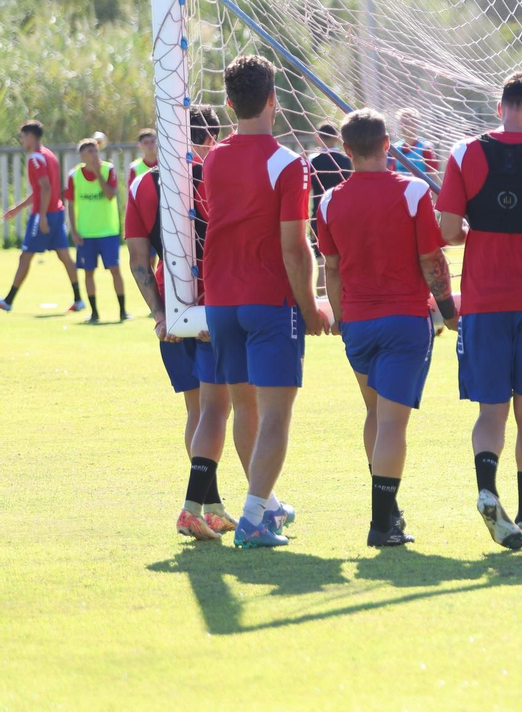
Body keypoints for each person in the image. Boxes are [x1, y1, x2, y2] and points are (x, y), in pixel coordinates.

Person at [438, 72, 522, 551]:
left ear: (500, 106)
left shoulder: (463, 153)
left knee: (491, 410)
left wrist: (481, 234)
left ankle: (488, 490)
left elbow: (449, 229)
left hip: (483, 300)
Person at [203, 54, 327, 548]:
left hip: (221, 300)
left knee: (243, 408)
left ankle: (266, 504)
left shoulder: (213, 157)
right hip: (269, 300)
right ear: (274, 99)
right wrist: (312, 305)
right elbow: (295, 247)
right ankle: (254, 518)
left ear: (230, 103)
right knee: (275, 413)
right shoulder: (289, 163)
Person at [319, 109, 458, 548]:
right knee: (393, 423)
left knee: (375, 415)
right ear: (387, 145)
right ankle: (382, 523)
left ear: (345, 150)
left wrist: (342, 318)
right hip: (403, 320)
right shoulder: (413, 191)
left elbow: (333, 269)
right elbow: (431, 260)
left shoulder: (328, 201)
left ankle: (389, 509)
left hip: (358, 322)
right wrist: (449, 311)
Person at [127, 106, 257, 539]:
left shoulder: (145, 182)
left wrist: (161, 314)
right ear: (211, 138)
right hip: (214, 307)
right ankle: (202, 506)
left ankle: (212, 505)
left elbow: (138, 257)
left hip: (173, 308)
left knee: (198, 411)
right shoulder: (216, 173)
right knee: (225, 408)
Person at [2, 120, 83, 313]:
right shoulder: (49, 155)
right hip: (57, 211)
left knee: (25, 256)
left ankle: (8, 300)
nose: (22, 141)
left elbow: (45, 188)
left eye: (22, 137)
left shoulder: (35, 158)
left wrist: (43, 215)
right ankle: (79, 299)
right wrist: (18, 208)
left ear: (30, 136)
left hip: (43, 214)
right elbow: (43, 190)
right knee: (64, 255)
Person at [65, 138, 128, 323]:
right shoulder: (74, 175)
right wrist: (74, 230)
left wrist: (98, 174)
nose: (94, 155)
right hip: (86, 234)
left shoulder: (108, 170)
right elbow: (70, 203)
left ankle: (123, 311)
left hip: (108, 231)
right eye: (89, 152)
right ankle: (94, 313)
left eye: (95, 151)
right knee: (88, 272)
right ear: (82, 156)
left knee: (115, 270)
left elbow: (110, 195)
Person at [309, 121, 353, 291]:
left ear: (318, 138)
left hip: (319, 216)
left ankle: (324, 303)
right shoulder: (347, 160)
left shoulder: (312, 161)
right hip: (344, 217)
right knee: (344, 262)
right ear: (337, 138)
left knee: (322, 264)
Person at [391, 108, 440, 180]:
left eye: (407, 123)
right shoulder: (395, 148)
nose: (403, 126)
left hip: (420, 190)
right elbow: (393, 173)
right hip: (400, 190)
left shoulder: (425, 148)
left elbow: (434, 177)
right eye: (401, 123)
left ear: (415, 123)